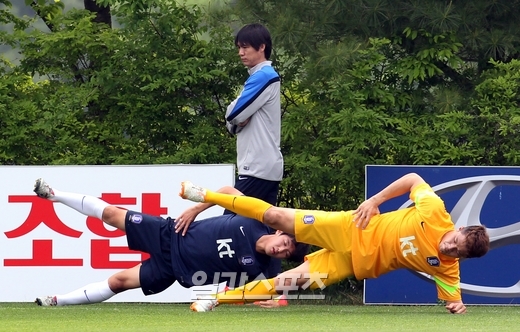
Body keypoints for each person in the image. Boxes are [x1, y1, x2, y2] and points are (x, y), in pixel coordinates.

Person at [179, 172, 490, 314]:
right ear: (457, 228)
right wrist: (374, 200)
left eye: (456, 252)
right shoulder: (435, 213)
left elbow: (453, 298)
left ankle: (217, 300)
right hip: (349, 228)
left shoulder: (448, 268)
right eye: (453, 242)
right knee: (275, 217)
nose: (449, 248)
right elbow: (413, 179)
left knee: (286, 282)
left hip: (350, 264)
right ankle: (205, 194)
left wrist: (455, 304)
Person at [31, 178, 309, 307]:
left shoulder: (265, 266)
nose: (282, 249)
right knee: (113, 214)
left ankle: (56, 301)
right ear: (281, 232)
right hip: (171, 233)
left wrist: (271, 301)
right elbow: (225, 192)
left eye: (288, 253)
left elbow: (276, 294)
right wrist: (194, 209)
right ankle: (54, 194)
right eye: (286, 242)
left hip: (175, 270)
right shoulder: (256, 217)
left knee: (118, 282)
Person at [224, 23, 283, 208]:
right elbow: (235, 121)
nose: (241, 53)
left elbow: (233, 114)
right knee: (260, 232)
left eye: (245, 47)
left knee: (231, 227)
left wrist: (235, 118)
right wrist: (236, 120)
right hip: (265, 168)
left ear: (262, 47)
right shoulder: (260, 76)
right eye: (239, 47)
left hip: (256, 168)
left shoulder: (263, 76)